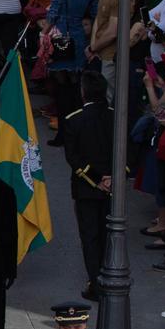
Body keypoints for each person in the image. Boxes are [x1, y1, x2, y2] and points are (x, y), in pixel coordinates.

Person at [62, 71, 115, 300]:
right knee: (107, 233)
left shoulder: (73, 120)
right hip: (112, 187)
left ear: (83, 93)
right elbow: (126, 151)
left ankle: (95, 282)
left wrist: (95, 179)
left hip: (86, 188)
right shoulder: (115, 117)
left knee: (90, 236)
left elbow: (73, 158)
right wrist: (110, 177)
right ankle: (105, 275)